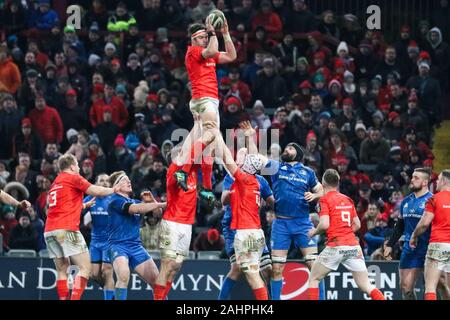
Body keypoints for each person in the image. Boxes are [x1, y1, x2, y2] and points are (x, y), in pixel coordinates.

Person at [44, 154, 126, 300]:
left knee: (62, 270)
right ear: (72, 166)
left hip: (50, 231)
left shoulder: (56, 182)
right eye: (77, 164)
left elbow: (60, 206)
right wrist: (114, 189)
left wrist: (82, 206)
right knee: (85, 268)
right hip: (67, 229)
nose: (79, 167)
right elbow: (97, 191)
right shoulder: (74, 177)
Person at [153, 114, 216, 300]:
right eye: (179, 151)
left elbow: (198, 151)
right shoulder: (174, 170)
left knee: (176, 266)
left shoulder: (192, 171)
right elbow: (189, 149)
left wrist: (199, 125)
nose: (184, 152)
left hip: (187, 224)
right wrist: (197, 128)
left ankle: (162, 297)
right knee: (167, 265)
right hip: (171, 223)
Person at [173, 13, 236, 198]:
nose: (205, 39)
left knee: (208, 146)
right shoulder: (193, 51)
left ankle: (207, 189)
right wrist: (212, 32)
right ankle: (182, 171)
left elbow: (232, 56)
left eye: (205, 36)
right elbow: (210, 50)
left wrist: (225, 34)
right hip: (203, 100)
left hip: (210, 102)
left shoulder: (209, 54)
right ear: (193, 39)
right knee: (210, 134)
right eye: (201, 37)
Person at [307, 169, 385, 300]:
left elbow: (324, 224)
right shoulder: (347, 199)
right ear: (337, 183)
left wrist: (313, 232)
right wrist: (345, 232)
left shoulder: (324, 200)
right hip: (353, 247)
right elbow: (357, 225)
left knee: (314, 279)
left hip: (336, 245)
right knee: (366, 285)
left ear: (323, 183)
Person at [213, 125, 269, 300]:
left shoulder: (242, 178)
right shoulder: (255, 181)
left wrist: (216, 135)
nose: (240, 159)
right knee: (248, 272)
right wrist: (250, 138)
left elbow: (227, 159)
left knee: (253, 275)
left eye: (242, 158)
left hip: (244, 232)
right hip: (255, 231)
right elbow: (254, 160)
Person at [264, 140, 325, 300]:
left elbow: (321, 191)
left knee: (315, 267)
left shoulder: (308, 172)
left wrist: (315, 195)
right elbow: (258, 159)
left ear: (298, 153)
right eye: (286, 147)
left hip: (303, 223)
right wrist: (250, 137)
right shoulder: (276, 167)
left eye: (290, 148)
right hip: (281, 224)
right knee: (276, 268)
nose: (286, 149)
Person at [107, 171, 166, 300]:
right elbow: (134, 209)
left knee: (157, 283)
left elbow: (157, 214)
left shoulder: (135, 201)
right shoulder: (114, 200)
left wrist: (152, 201)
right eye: (124, 179)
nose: (128, 181)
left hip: (136, 247)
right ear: (116, 186)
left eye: (129, 179)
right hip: (118, 246)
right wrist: (162, 204)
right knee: (123, 275)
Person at [384, 168, 433, 299]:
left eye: (416, 178)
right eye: (412, 177)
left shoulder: (432, 200)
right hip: (410, 250)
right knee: (405, 287)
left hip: (429, 249)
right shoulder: (406, 201)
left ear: (424, 182)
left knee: (432, 287)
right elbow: (400, 225)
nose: (412, 180)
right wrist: (390, 245)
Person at [410, 170, 450, 300]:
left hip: (438, 244)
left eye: (438, 179)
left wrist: (414, 236)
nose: (436, 182)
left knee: (430, 286)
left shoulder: (434, 198)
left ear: (444, 181)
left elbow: (424, 223)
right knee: (445, 285)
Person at [82, 174, 115, 300]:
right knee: (94, 274)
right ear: (96, 183)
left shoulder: (113, 199)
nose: (105, 183)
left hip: (110, 241)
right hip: (95, 241)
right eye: (102, 180)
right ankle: (111, 292)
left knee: (107, 271)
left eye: (107, 181)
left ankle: (109, 296)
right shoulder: (90, 198)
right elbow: (79, 210)